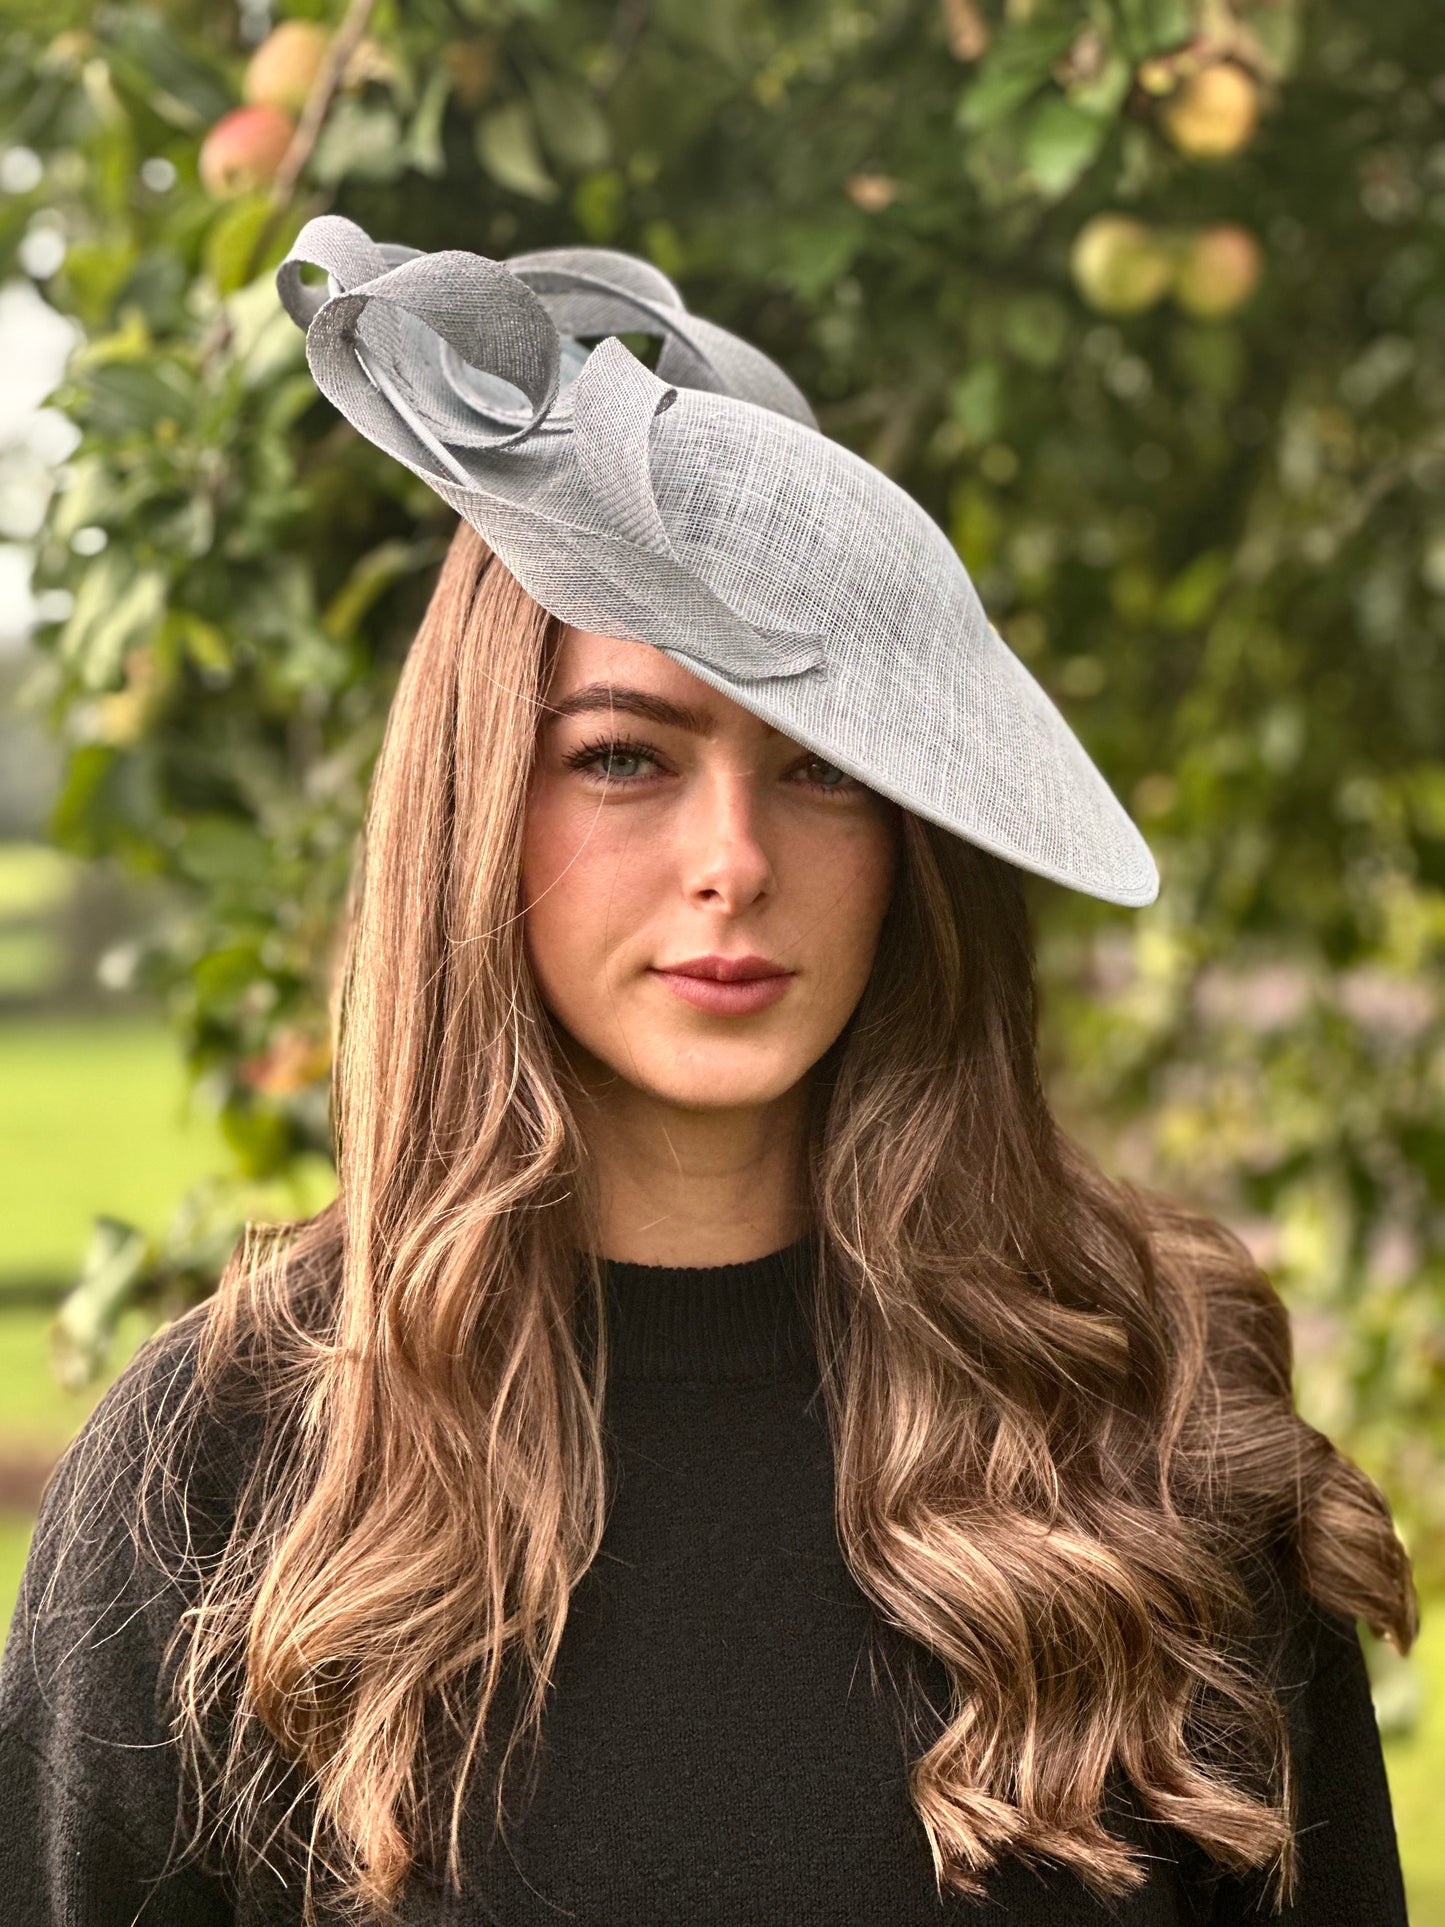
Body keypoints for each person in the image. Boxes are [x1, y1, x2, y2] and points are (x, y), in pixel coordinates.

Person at [0, 225, 1418, 1927]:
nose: (732, 858)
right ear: (475, 809)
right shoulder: (225, 1477)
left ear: (914, 846)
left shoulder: (1152, 1429)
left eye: (820, 769)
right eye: (622, 757)